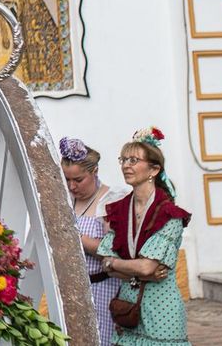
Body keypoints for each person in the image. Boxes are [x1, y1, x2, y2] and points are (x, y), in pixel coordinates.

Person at [97, 127, 191, 346]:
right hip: (128, 307)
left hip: (161, 310)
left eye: (133, 160)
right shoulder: (119, 209)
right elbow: (106, 264)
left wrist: (117, 264)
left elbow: (148, 267)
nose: (126, 165)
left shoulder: (169, 214)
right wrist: (131, 269)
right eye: (123, 159)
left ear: (154, 170)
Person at [60, 136, 126, 345]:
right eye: (67, 179)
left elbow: (114, 252)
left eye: (78, 180)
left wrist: (76, 239)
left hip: (102, 290)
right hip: (72, 291)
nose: (72, 186)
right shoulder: (66, 200)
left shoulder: (110, 200)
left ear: (94, 171)